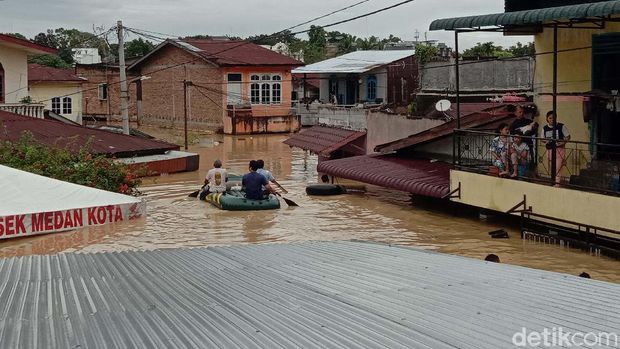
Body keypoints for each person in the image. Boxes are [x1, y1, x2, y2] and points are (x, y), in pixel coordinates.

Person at [541, 111, 571, 185]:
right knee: (551, 167)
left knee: (558, 167)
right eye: (550, 118)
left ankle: (557, 183)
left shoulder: (561, 126)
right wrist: (546, 141)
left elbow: (568, 136)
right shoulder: (544, 128)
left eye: (553, 118)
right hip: (550, 150)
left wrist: (563, 142)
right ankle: (553, 181)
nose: (552, 120)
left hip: (559, 149)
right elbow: (542, 139)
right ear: (547, 119)